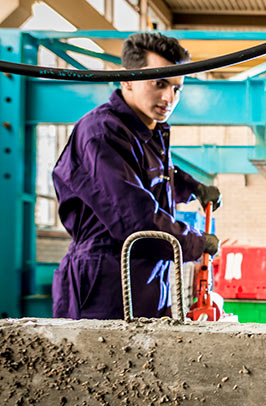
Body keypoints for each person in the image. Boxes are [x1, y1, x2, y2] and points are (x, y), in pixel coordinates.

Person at [52, 32, 221, 320]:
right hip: (105, 282)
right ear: (127, 79)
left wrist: (192, 188)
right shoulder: (101, 133)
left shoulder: (148, 132)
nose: (169, 97)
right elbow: (133, 218)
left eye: (177, 89)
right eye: (160, 83)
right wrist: (194, 242)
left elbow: (152, 176)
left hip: (146, 278)